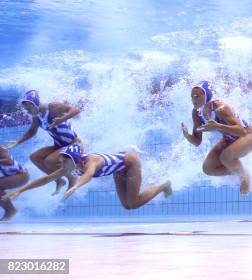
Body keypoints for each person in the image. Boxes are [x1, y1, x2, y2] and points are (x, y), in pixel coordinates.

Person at [3, 145, 172, 210]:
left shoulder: (92, 162)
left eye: (64, 160)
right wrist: (20, 190)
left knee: (133, 203)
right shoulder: (69, 166)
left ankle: (163, 185)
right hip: (118, 169)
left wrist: (76, 186)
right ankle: (157, 184)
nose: (61, 163)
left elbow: (89, 175)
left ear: (74, 160)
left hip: (130, 162)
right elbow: (46, 179)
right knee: (127, 206)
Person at [181, 81, 252, 195]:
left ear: (206, 95)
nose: (194, 99)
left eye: (197, 96)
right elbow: (197, 141)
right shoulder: (196, 113)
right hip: (229, 138)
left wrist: (218, 126)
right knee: (208, 168)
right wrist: (187, 136)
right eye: (192, 96)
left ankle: (245, 177)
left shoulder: (220, 109)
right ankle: (238, 171)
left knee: (226, 157)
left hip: (249, 135)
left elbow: (242, 131)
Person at [7, 90, 82, 195]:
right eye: (26, 109)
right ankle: (59, 180)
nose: (27, 111)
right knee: (35, 157)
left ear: (35, 103)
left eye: (29, 108)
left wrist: (62, 119)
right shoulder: (36, 115)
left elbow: (76, 110)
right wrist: (17, 142)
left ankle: (72, 177)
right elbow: (32, 131)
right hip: (59, 145)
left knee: (49, 161)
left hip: (73, 144)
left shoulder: (52, 107)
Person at [0, 146, 29, 220]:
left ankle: (10, 210)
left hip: (21, 175)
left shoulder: (1, 148)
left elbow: (9, 160)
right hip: (14, 176)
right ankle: (9, 208)